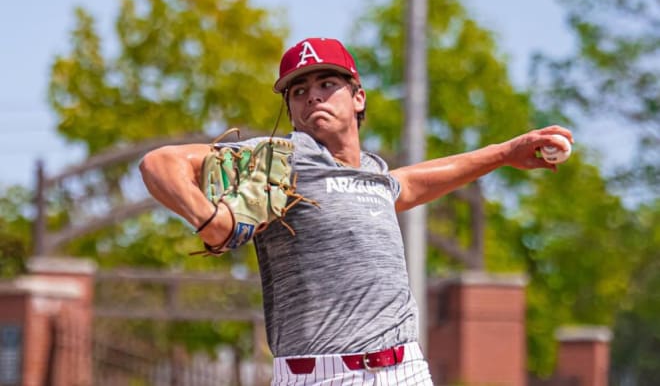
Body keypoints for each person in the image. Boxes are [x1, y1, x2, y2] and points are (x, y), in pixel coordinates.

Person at [140, 37, 573, 385]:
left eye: (327, 84)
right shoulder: (283, 158)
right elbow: (160, 162)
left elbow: (415, 182)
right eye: (299, 91)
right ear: (290, 110)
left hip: (405, 371)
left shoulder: (374, 174)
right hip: (320, 375)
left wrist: (504, 153)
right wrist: (210, 220)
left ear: (359, 97)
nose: (313, 97)